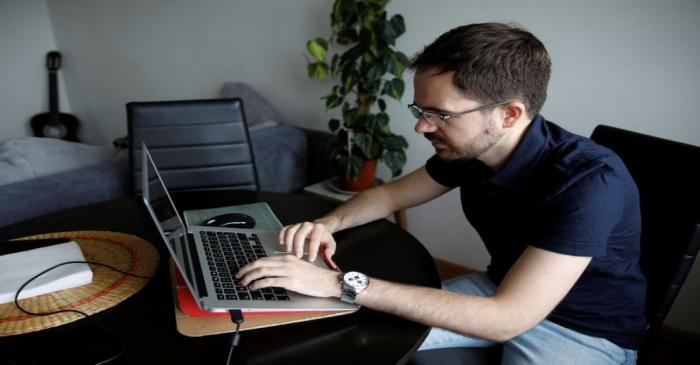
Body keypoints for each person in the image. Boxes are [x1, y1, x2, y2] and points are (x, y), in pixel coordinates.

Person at [237, 22, 646, 364]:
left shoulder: (590, 181)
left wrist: (337, 283)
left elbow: (507, 319)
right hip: (500, 291)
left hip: (583, 330)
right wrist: (327, 223)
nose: (422, 128)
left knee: (349, 303)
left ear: (509, 114)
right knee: (349, 332)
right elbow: (390, 196)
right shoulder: (472, 146)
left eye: (440, 115)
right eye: (420, 111)